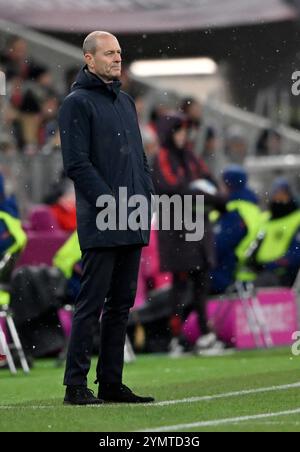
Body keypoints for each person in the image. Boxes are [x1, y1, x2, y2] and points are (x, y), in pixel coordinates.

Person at [58, 31, 155, 405]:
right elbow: (76, 164)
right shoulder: (76, 103)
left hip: (132, 216)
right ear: (89, 59)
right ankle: (75, 385)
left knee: (121, 305)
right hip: (103, 219)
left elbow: (138, 160)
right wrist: (109, 202)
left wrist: (144, 195)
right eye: (109, 53)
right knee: (91, 303)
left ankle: (111, 383)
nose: (117, 58)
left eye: (119, 52)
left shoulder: (126, 101)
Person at [153, 114, 226, 356]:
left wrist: (203, 194)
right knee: (180, 284)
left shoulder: (190, 157)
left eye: (186, 131)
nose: (184, 136)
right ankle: (176, 337)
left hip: (198, 226)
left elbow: (205, 184)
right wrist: (206, 196)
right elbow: (172, 188)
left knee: (201, 281)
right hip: (177, 229)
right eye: (179, 131)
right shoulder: (163, 157)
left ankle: (204, 335)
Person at [211, 165, 262, 294]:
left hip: (228, 273)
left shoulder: (232, 209)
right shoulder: (253, 208)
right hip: (248, 272)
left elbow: (220, 245)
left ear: (228, 184)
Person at [252, 178, 300, 287]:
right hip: (261, 273)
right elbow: (255, 244)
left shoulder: (297, 219)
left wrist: (275, 264)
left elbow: (296, 253)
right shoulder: (265, 219)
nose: (279, 198)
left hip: (286, 275)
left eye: (283, 194)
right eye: (276, 194)